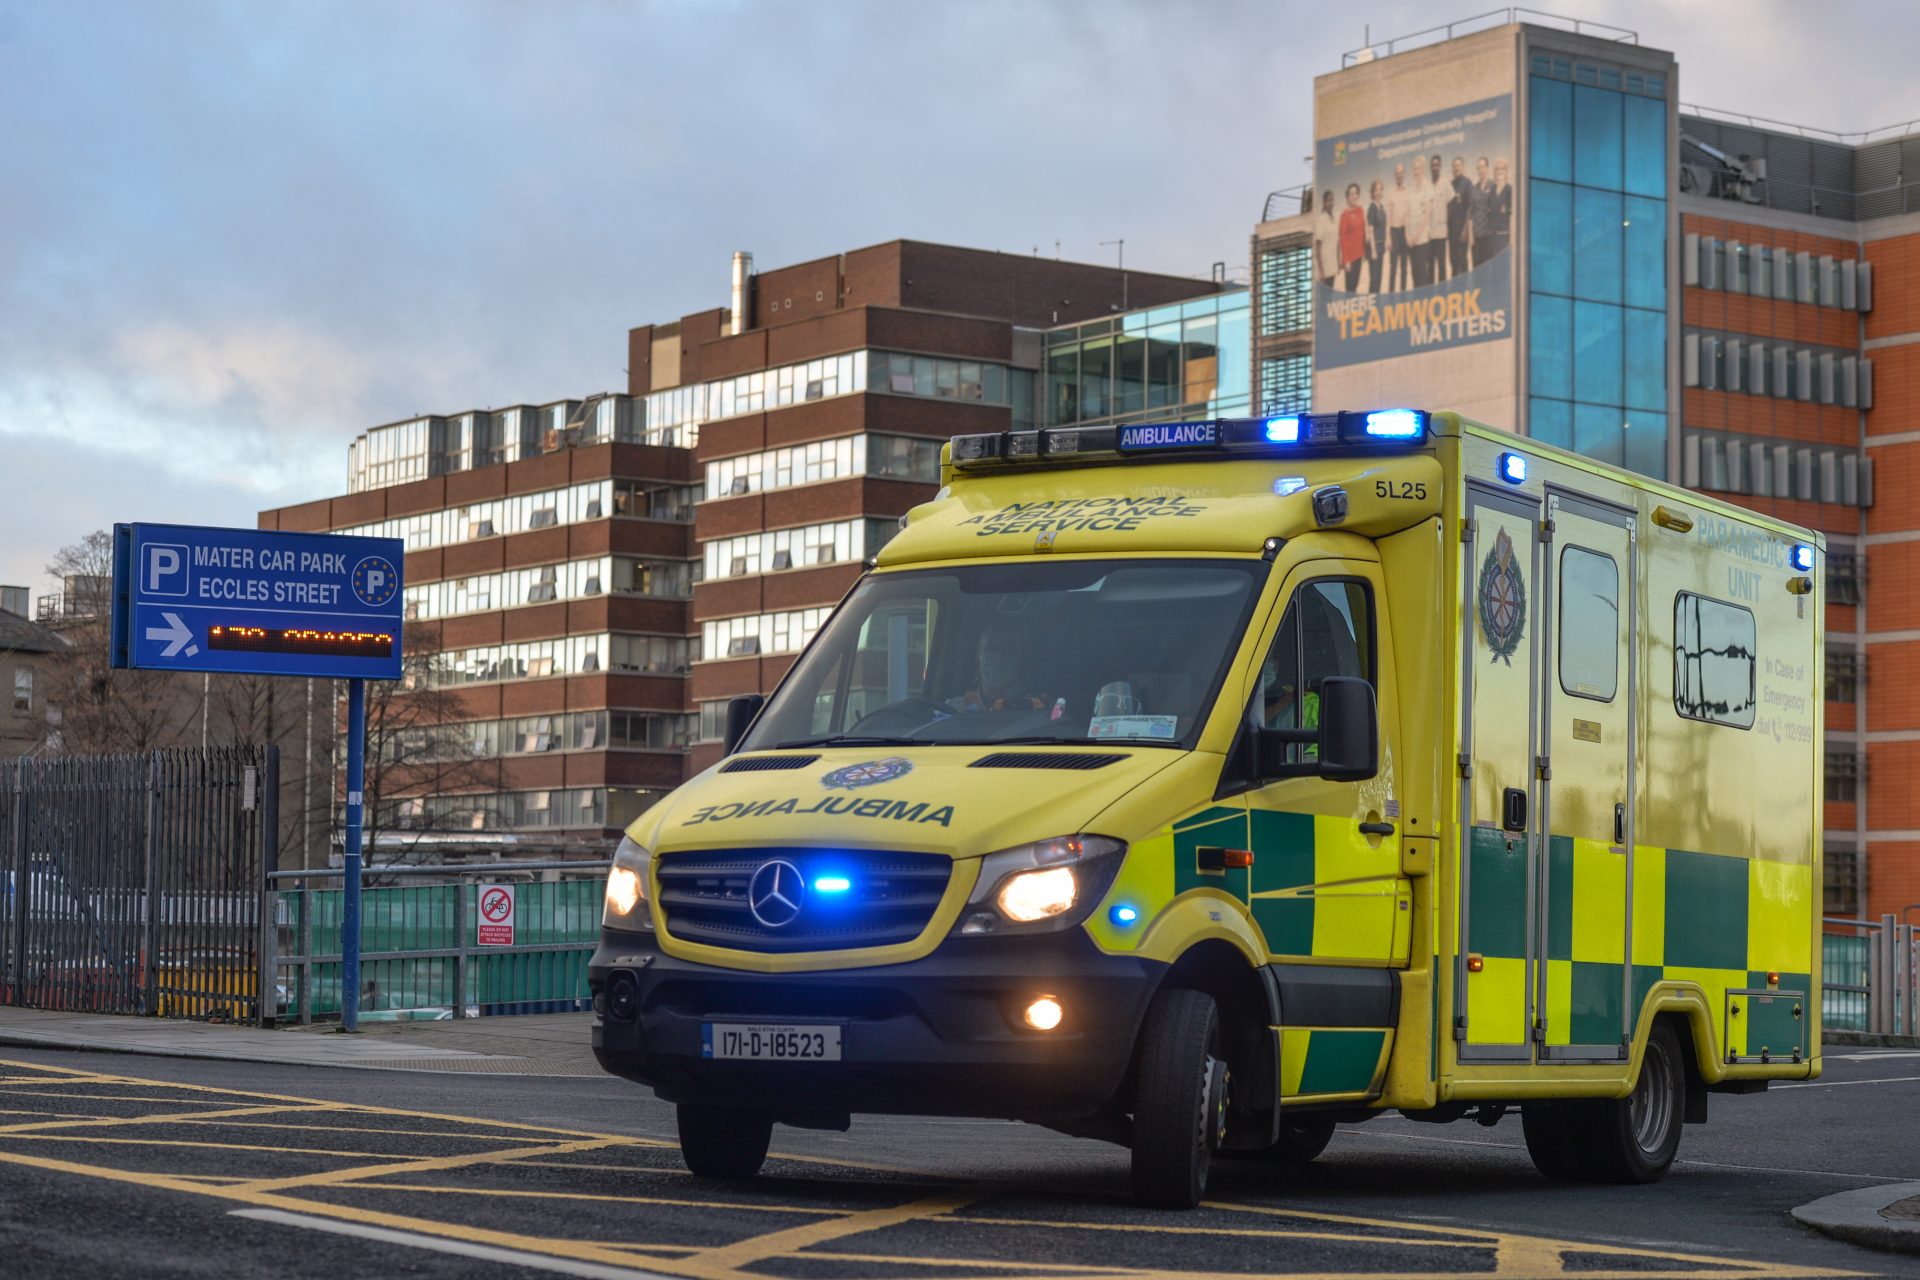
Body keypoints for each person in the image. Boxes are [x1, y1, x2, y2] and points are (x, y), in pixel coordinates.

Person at [951, 625, 1050, 713]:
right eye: (990, 648)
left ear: (1020, 657)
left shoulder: (1037, 709)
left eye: (1008, 650)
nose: (998, 657)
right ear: (978, 653)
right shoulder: (955, 709)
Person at [1386, 162, 1412, 292]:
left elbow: (1410, 214)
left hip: (1405, 232)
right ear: (1395, 176)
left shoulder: (1408, 192)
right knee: (1393, 267)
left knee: (1404, 267)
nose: (1399, 176)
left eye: (1401, 173)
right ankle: (1391, 294)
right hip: (1394, 232)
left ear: (1404, 174)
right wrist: (1388, 238)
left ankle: (1402, 293)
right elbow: (1389, 217)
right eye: (1397, 174)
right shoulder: (1391, 193)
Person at [1481, 158, 1513, 264]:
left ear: (1506, 171)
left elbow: (1512, 216)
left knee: (1503, 266)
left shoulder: (1509, 190)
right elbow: (1488, 212)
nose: (1499, 171)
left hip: (1503, 236)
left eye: (1502, 169)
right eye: (1497, 169)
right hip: (1492, 236)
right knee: (1493, 266)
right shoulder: (1492, 190)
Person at [1425, 154, 1450, 283]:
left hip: (1441, 232)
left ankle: (1442, 293)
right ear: (1430, 167)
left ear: (1440, 166)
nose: (1435, 167)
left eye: (1437, 165)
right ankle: (1431, 294)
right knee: (1430, 266)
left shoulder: (1445, 183)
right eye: (1433, 165)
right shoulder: (1427, 184)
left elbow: (1450, 204)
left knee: (1441, 265)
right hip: (1429, 233)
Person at [1448, 156, 1474, 279]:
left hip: (1462, 232)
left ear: (1463, 167)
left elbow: (1470, 207)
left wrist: (1465, 230)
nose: (1456, 168)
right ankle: (1455, 291)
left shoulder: (1467, 183)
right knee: (1453, 262)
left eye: (1458, 165)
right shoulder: (1450, 184)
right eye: (1454, 166)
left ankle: (1464, 291)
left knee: (1462, 263)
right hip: (1451, 232)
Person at [1339, 183, 1367, 293]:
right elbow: (1343, 238)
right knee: (1350, 288)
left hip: (1359, 255)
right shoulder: (1345, 215)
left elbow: (1363, 232)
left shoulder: (1361, 210)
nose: (1354, 196)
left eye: (1355, 193)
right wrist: (1346, 261)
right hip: (1350, 259)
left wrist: (1364, 252)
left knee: (1355, 285)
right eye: (1351, 194)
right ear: (1347, 197)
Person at [1365, 180, 1388, 294]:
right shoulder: (1372, 208)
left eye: (1380, 189)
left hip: (1381, 248)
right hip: (1374, 249)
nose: (1379, 192)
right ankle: (1371, 308)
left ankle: (1376, 308)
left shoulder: (1382, 208)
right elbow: (1370, 230)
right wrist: (1373, 251)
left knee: (1379, 279)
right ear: (1373, 193)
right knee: (1374, 280)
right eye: (1376, 190)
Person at [1315, 189, 1340, 290]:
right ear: (1324, 203)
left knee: (1329, 298)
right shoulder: (1322, 219)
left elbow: (1336, 243)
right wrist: (1321, 272)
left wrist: (1338, 263)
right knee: (1324, 300)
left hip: (1332, 268)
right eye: (1329, 200)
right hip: (1324, 270)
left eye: (1332, 200)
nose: (1331, 203)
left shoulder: (1333, 219)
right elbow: (1317, 246)